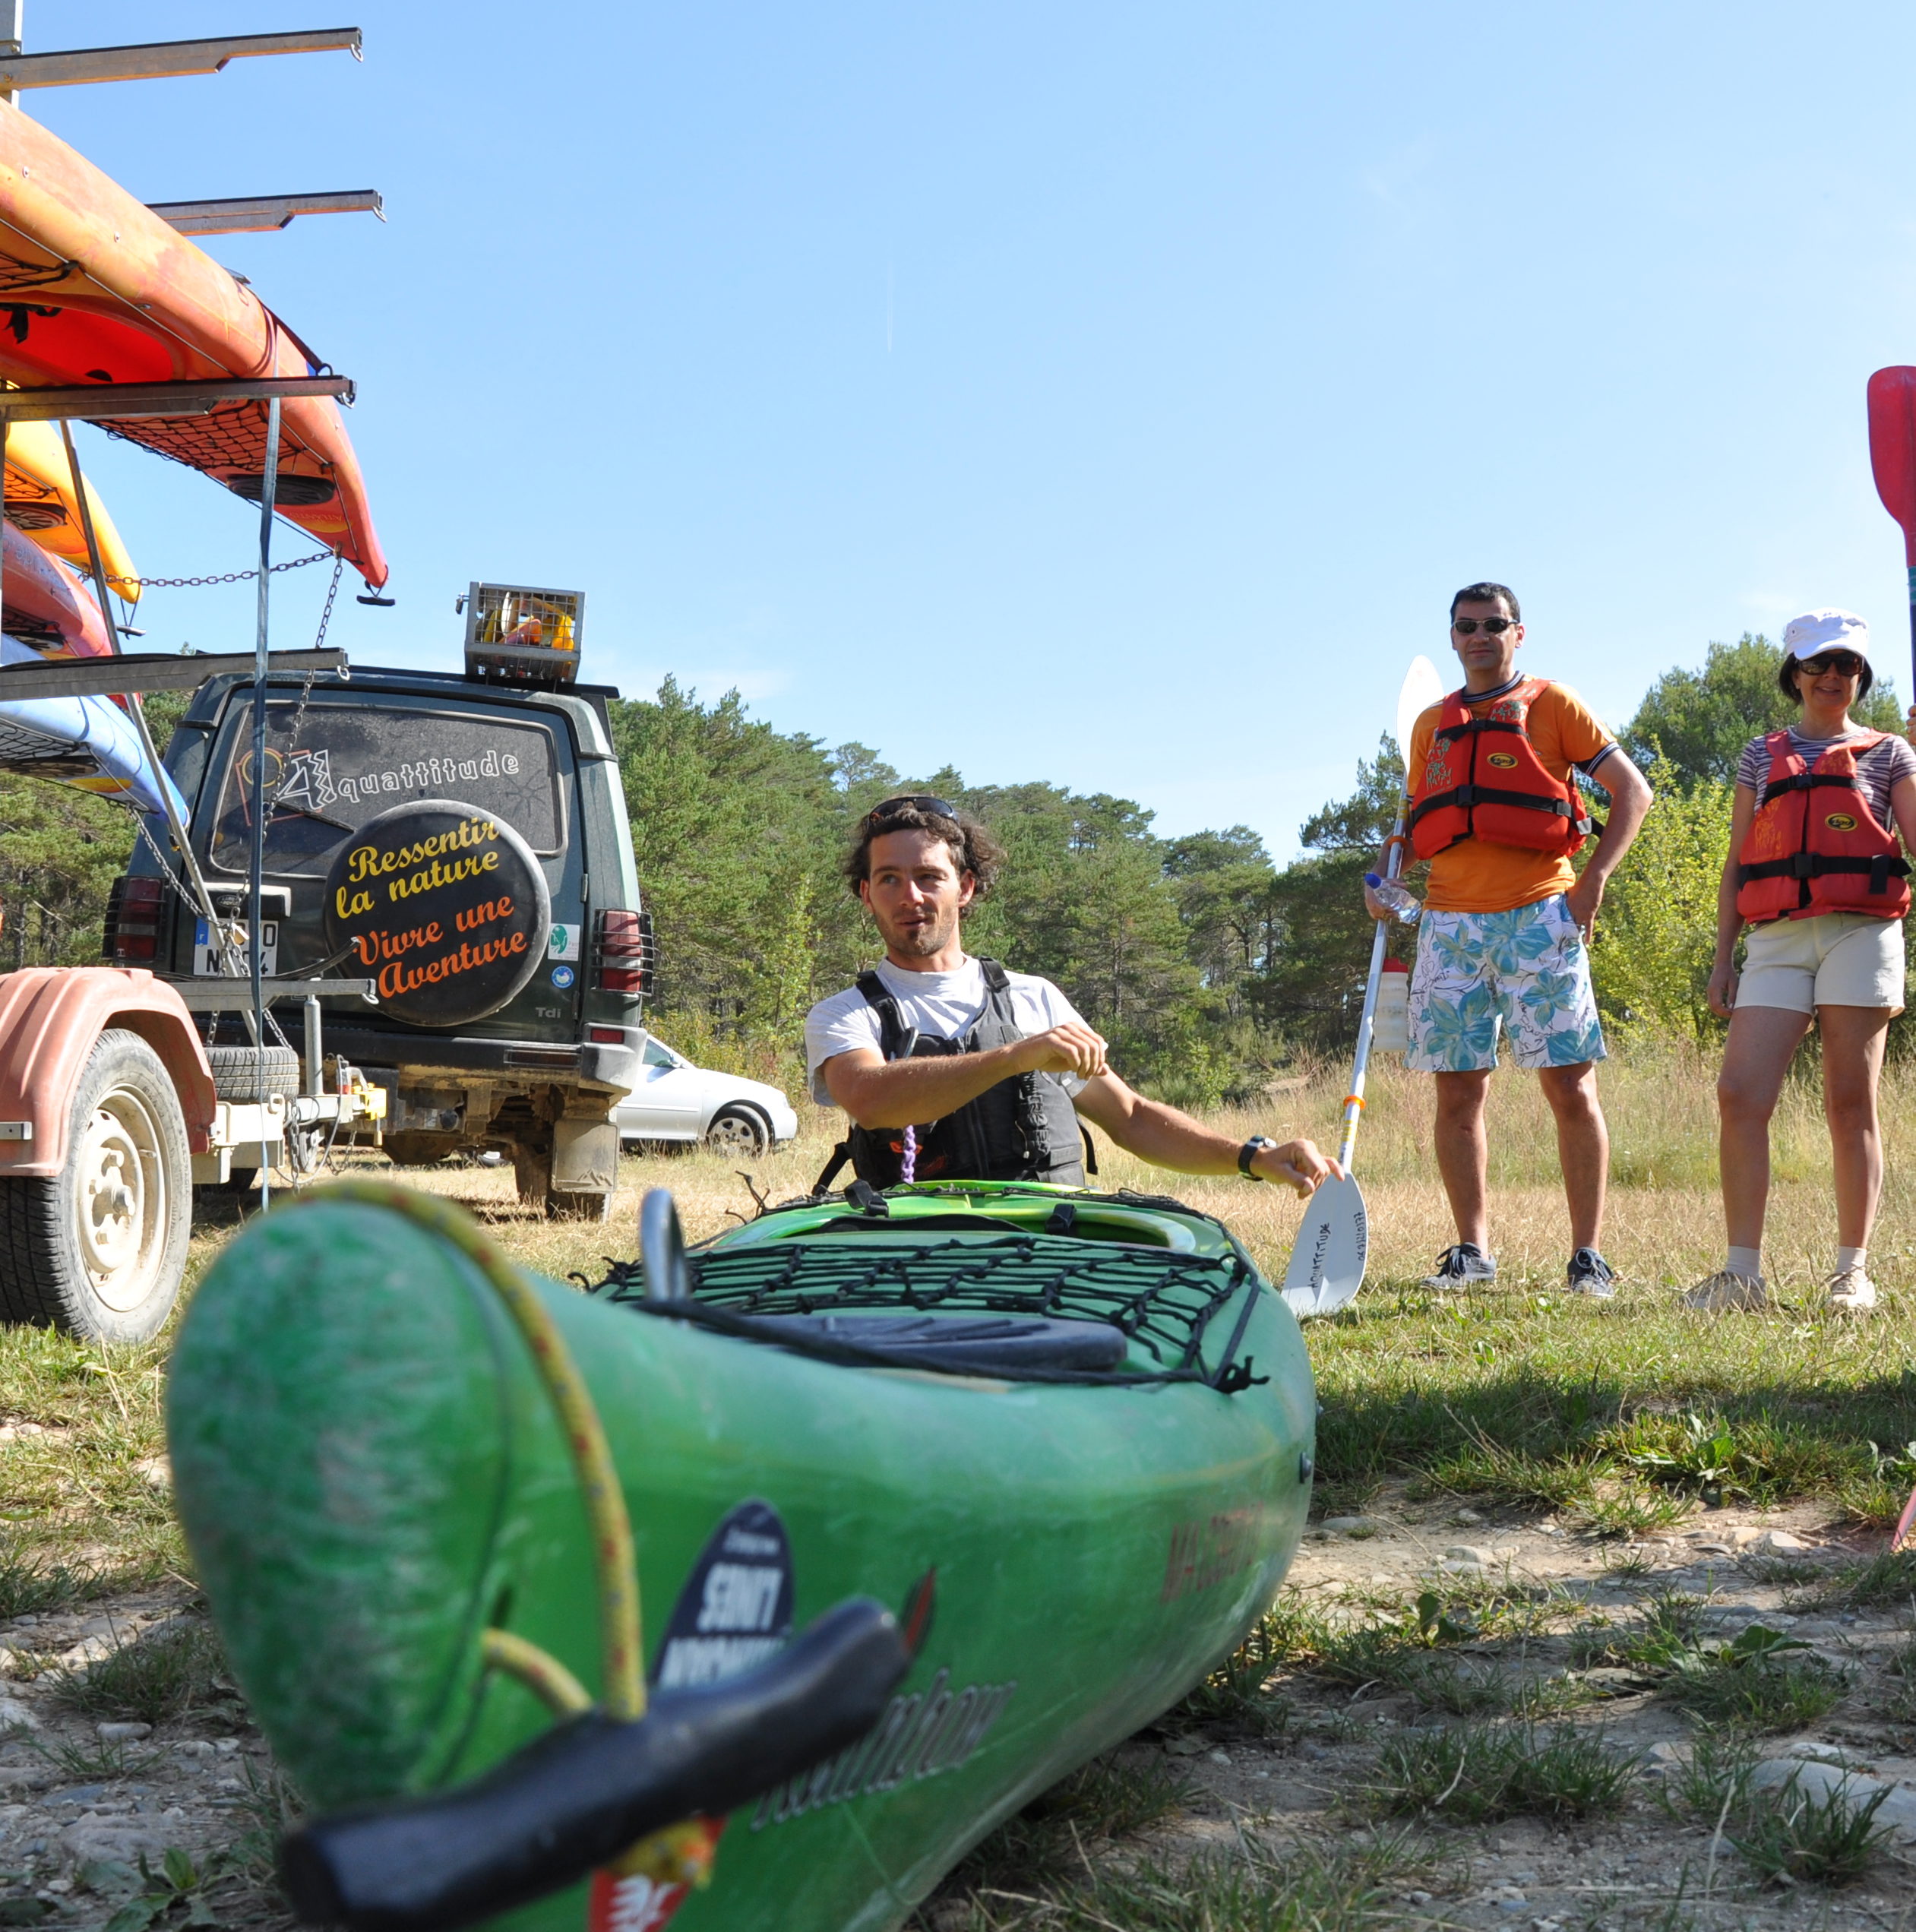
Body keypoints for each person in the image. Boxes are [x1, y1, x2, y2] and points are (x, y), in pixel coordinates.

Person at [807, 794, 1339, 1199]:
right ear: (866, 894)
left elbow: (1131, 1118)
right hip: (912, 1251)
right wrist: (1018, 1056)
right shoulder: (843, 1014)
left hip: (1049, 1245)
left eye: (929, 876)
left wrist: (1254, 1156)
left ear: (965, 887)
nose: (911, 897)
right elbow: (871, 1099)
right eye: (890, 880)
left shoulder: (1033, 998)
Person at [1369, 582, 1654, 1294]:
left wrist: (1591, 884)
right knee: (1457, 1096)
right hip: (1449, 926)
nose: (1479, 636)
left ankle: (1588, 1255)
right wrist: (1384, 880)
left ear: (1518, 634)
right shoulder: (1431, 724)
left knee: (1571, 1087)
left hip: (1539, 918)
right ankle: (1473, 1251)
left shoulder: (1554, 704)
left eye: (1493, 625)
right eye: (1466, 626)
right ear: (1453, 635)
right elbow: (1411, 825)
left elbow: (1633, 792)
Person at [1684, 610, 1916, 1316]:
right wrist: (1724, 958)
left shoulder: (1892, 751)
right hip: (1778, 938)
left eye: (1846, 666)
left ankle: (1852, 1272)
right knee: (1740, 1094)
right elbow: (1737, 860)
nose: (1832, 677)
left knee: (1850, 1102)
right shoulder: (1761, 754)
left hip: (1860, 931)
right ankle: (1741, 1275)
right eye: (1817, 665)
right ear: (1794, 673)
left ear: (1860, 676)